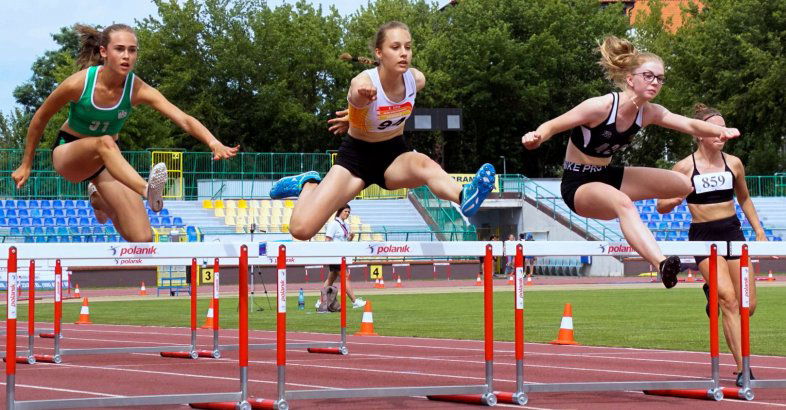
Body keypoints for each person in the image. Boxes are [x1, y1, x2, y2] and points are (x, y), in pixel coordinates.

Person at [520, 35, 740, 289]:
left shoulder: (649, 112)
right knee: (623, 203)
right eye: (648, 76)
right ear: (629, 79)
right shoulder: (600, 107)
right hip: (578, 183)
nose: (655, 82)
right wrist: (536, 136)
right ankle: (661, 263)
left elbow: (689, 124)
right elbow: (553, 125)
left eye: (660, 78)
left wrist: (719, 132)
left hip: (607, 175)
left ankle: (623, 214)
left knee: (683, 185)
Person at [269, 21, 495, 241]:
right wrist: (359, 101)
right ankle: (308, 184)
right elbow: (355, 96)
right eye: (395, 47)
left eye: (408, 47)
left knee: (424, 164)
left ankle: (465, 196)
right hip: (355, 160)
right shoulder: (363, 82)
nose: (404, 53)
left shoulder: (416, 80)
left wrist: (356, 117)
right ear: (379, 52)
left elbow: (382, 111)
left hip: (394, 154)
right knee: (301, 230)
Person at [11, 24, 238, 242]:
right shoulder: (79, 84)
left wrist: (212, 141)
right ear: (104, 52)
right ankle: (147, 190)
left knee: (142, 237)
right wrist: (26, 163)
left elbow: (183, 118)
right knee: (105, 141)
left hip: (107, 161)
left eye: (132, 50)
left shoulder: (137, 88)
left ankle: (100, 201)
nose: (126, 56)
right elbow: (40, 117)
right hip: (71, 154)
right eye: (119, 49)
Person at [656, 103, 764, 387]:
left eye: (723, 129)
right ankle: (744, 369)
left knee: (747, 305)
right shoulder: (683, 166)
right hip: (704, 237)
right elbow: (660, 206)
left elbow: (745, 199)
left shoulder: (735, 163)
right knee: (728, 301)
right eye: (715, 129)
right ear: (700, 134)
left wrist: (759, 232)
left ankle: (710, 292)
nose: (721, 134)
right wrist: (677, 197)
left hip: (733, 232)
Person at [315, 204, 366, 310]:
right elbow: (328, 239)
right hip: (334, 255)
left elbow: (345, 241)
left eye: (348, 212)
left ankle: (320, 301)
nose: (347, 214)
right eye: (345, 211)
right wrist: (327, 255)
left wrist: (350, 238)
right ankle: (354, 301)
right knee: (345, 276)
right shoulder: (333, 224)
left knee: (330, 280)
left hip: (342, 255)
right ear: (340, 212)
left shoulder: (346, 225)